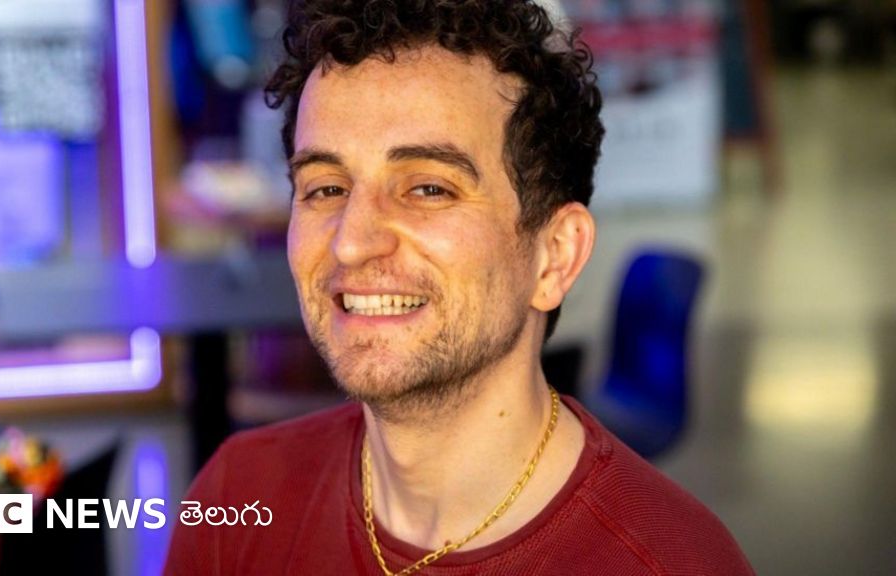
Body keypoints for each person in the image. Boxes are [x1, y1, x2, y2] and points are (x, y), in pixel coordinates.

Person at [165, 1, 754, 574]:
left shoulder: (671, 563)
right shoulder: (235, 500)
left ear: (555, 255)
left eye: (429, 189)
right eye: (326, 188)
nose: (352, 242)